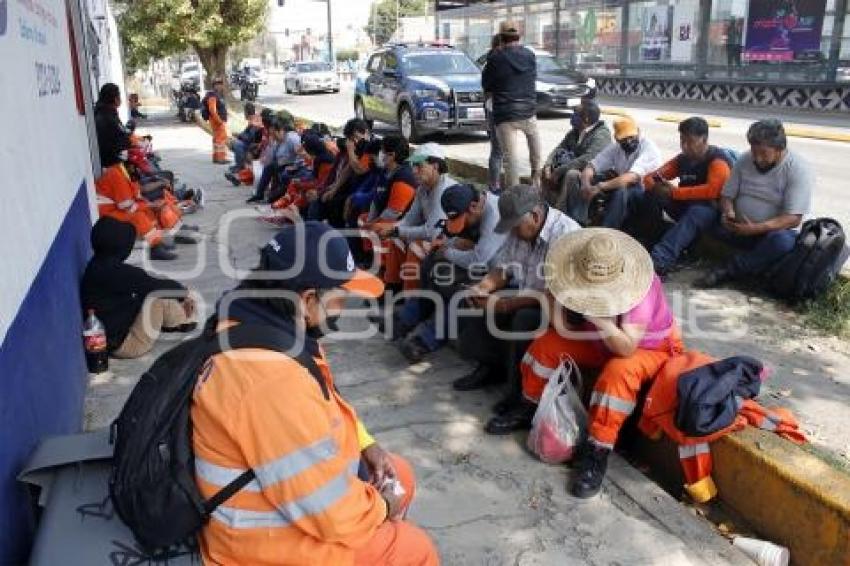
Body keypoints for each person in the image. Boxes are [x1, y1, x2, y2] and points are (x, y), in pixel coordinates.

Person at [192, 222, 439, 565]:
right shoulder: (271, 379)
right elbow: (330, 510)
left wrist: (367, 445)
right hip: (260, 544)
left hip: (280, 498)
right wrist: (381, 508)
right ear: (308, 300)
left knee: (400, 474)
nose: (344, 306)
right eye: (340, 296)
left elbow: (329, 403)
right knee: (413, 547)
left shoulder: (259, 321)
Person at [520, 228, 683, 498]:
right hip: (599, 339)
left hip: (646, 347)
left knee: (617, 374)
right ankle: (529, 409)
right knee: (546, 346)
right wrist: (549, 297)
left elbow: (626, 347)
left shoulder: (642, 286)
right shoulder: (574, 271)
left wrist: (596, 316)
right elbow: (560, 327)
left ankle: (597, 451)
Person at [457, 185, 580, 434]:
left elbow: (551, 295)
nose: (512, 231)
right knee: (480, 299)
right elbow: (502, 269)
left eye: (515, 225)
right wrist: (483, 288)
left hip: (561, 308)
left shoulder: (566, 235)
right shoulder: (520, 230)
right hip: (529, 293)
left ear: (534, 216)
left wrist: (505, 304)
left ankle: (521, 398)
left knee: (523, 318)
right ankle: (490, 366)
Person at [398, 183, 508, 362]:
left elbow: (478, 260)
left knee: (465, 294)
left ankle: (424, 341)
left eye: (463, 220)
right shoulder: (467, 204)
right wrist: (449, 245)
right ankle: (407, 319)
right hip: (481, 264)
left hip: (499, 272)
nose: (461, 224)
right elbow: (451, 238)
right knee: (431, 264)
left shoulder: (494, 216)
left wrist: (447, 252)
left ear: (473, 207)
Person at [696, 119, 812, 288]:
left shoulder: (797, 169)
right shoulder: (745, 159)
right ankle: (754, 269)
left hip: (767, 235)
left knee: (783, 242)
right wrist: (727, 213)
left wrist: (756, 228)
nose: (757, 159)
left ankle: (727, 270)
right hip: (737, 229)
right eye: (754, 151)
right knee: (700, 213)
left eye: (764, 153)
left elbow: (793, 218)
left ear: (780, 149)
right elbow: (727, 196)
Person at [80, 217, 197, 358]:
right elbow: (158, 286)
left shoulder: (97, 266)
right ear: (119, 248)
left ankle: (178, 319)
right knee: (158, 296)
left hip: (117, 333)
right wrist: (185, 294)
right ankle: (182, 320)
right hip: (128, 345)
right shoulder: (117, 273)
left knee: (151, 290)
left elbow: (145, 283)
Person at [640, 117, 734, 276]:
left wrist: (674, 192)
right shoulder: (682, 159)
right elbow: (650, 177)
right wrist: (656, 186)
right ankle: (650, 240)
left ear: (704, 139)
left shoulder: (718, 160)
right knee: (651, 195)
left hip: (709, 211)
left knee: (696, 212)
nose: (685, 146)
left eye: (690, 142)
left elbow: (713, 190)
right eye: (682, 141)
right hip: (684, 205)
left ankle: (660, 260)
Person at [375, 143, 455, 293]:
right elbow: (409, 219)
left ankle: (410, 300)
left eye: (419, 166)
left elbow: (430, 232)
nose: (414, 171)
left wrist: (397, 230)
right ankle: (392, 285)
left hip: (448, 241)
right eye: (413, 166)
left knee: (415, 246)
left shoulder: (445, 190)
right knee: (395, 238)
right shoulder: (422, 188)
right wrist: (393, 229)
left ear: (435, 166)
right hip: (434, 236)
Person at [568, 116, 662, 229]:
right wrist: (585, 185)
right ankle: (577, 221)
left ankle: (607, 230)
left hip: (644, 193)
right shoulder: (616, 148)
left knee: (622, 190)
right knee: (576, 176)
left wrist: (599, 186)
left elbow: (631, 178)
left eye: (631, 137)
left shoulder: (649, 148)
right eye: (624, 139)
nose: (628, 141)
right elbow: (591, 166)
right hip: (621, 183)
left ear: (638, 132)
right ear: (617, 139)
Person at [482, 20, 541, 189]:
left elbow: (486, 85)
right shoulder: (530, 55)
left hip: (505, 114)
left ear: (501, 37)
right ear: (519, 36)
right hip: (528, 111)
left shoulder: (495, 58)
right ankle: (536, 176)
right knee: (534, 144)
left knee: (510, 158)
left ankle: (514, 194)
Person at [541, 99, 612, 211]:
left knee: (571, 174)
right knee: (545, 172)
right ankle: (544, 208)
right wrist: (548, 165)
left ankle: (560, 212)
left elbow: (586, 159)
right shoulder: (575, 132)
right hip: (574, 167)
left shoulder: (602, 135)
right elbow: (559, 148)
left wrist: (559, 170)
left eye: (576, 113)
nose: (572, 116)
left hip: (595, 174)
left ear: (586, 119)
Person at [246, 117, 302, 204]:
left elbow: (301, 155)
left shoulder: (292, 139)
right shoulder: (277, 141)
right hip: (280, 165)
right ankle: (259, 194)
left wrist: (295, 165)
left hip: (292, 166)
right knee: (269, 167)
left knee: (283, 174)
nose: (273, 137)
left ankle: (274, 197)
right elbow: (272, 156)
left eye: (274, 134)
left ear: (281, 131)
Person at [482, 33, 505, 192]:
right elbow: (487, 90)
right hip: (498, 110)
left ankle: (494, 184)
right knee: (498, 151)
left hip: (495, 109)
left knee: (498, 151)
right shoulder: (494, 63)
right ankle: (495, 185)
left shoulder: (491, 62)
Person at [94, 83, 131, 167]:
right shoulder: (108, 116)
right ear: (115, 99)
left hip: (107, 160)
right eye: (119, 96)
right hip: (112, 163)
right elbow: (124, 137)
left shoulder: (100, 112)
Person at [205, 77, 229, 164]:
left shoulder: (215, 95)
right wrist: (219, 121)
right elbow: (213, 110)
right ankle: (221, 158)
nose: (221, 86)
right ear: (215, 86)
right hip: (217, 121)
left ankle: (216, 157)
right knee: (220, 139)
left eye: (221, 84)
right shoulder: (212, 96)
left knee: (217, 139)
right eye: (219, 84)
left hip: (216, 120)